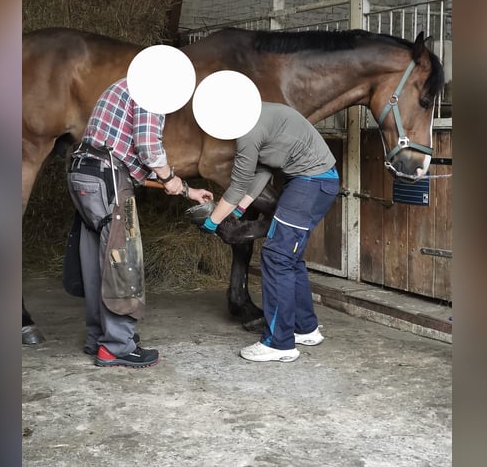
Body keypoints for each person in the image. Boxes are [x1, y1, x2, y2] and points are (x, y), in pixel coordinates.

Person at [67, 77, 213, 368]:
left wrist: (185, 190)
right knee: (123, 260)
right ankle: (117, 346)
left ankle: (97, 337)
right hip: (109, 179)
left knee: (96, 260)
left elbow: (130, 160)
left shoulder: (119, 86)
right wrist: (169, 176)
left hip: (84, 173)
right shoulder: (151, 90)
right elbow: (148, 148)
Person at [199, 102, 340, 362]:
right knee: (289, 259)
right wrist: (240, 209)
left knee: (276, 257)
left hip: (309, 184)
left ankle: (278, 343)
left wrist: (212, 221)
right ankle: (305, 328)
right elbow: (263, 171)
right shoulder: (262, 114)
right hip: (319, 182)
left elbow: (238, 184)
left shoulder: (248, 131)